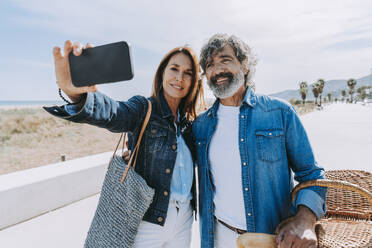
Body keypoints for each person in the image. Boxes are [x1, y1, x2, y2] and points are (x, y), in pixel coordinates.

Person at [44, 40, 205, 248]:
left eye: (188, 72)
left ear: (194, 81)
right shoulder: (143, 107)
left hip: (183, 219)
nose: (179, 77)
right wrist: (77, 95)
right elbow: (113, 113)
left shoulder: (189, 124)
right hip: (148, 220)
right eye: (174, 69)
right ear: (162, 73)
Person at [192, 34, 326, 248]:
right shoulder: (200, 126)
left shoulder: (279, 112)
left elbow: (311, 174)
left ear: (244, 66)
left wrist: (305, 220)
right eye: (209, 65)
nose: (217, 70)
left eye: (225, 60)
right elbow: (174, 156)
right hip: (217, 238)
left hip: (272, 239)